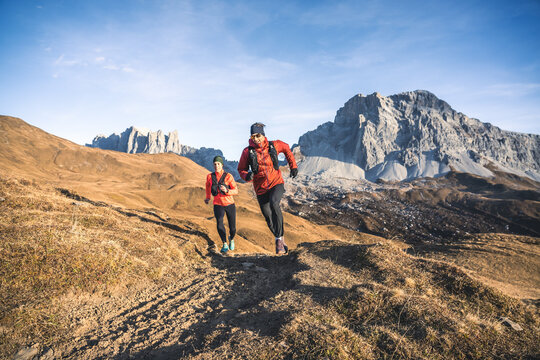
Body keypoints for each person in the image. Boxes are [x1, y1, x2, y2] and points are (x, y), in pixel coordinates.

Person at [238, 122, 298, 255]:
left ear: (263, 135)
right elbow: (241, 169)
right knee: (268, 219)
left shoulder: (274, 145)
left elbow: (287, 149)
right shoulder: (247, 152)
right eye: (253, 136)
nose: (256, 139)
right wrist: (247, 176)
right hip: (260, 189)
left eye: (258, 135)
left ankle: (279, 241)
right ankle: (281, 239)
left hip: (276, 183)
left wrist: (293, 166)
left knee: (274, 203)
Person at [205, 155, 238, 254]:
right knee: (219, 223)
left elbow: (236, 190)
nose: (216, 166)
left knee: (233, 228)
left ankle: (231, 238)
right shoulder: (210, 176)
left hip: (229, 204)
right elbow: (207, 187)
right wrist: (207, 197)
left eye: (218, 164)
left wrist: (227, 190)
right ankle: (224, 244)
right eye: (215, 164)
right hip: (217, 204)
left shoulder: (228, 176)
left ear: (222, 165)